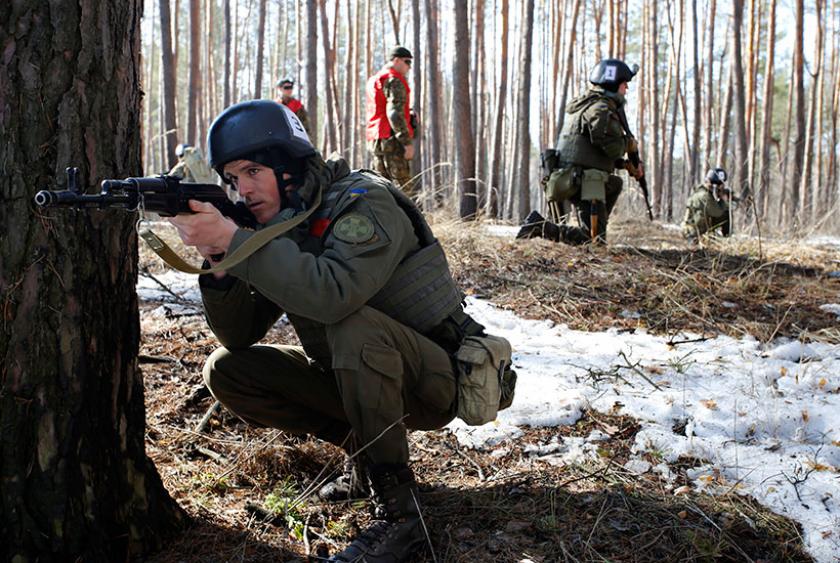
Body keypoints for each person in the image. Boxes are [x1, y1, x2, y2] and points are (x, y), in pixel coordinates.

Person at [166, 99, 513, 563]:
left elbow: (334, 296)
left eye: (252, 171)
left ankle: (400, 517)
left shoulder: (363, 202)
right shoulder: (282, 224)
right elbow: (238, 335)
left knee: (351, 325)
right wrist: (219, 260)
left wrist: (236, 242)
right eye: (232, 179)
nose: (241, 189)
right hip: (362, 375)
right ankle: (367, 460)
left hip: (438, 380)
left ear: (289, 166)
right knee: (228, 369)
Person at [517, 58, 642, 245]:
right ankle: (539, 226)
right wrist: (628, 145)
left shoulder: (587, 104)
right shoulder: (600, 109)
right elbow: (612, 148)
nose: (627, 89)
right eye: (624, 84)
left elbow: (595, 153)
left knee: (614, 183)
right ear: (613, 83)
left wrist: (625, 165)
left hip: (574, 176)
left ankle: (593, 224)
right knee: (592, 241)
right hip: (583, 180)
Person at [366, 46, 417, 197]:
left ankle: (380, 220)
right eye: (407, 62)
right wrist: (406, 142)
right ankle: (408, 221)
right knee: (404, 190)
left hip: (376, 139)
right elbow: (394, 114)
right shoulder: (394, 80)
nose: (409, 67)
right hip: (392, 140)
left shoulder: (374, 80)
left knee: (379, 189)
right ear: (396, 60)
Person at [682, 167, 732, 242]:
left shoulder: (700, 192)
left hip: (690, 230)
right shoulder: (705, 196)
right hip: (694, 233)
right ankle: (727, 239)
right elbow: (718, 213)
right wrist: (723, 201)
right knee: (725, 214)